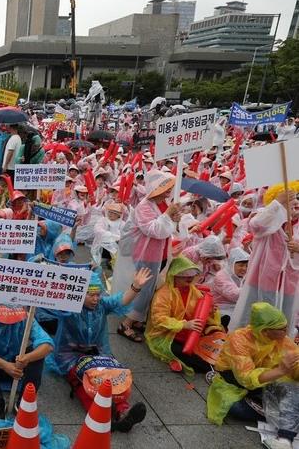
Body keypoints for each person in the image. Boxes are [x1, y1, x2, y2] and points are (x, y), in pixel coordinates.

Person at [49, 270, 152, 433]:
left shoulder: (102, 305)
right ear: (78, 294)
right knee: (84, 381)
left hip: (98, 352)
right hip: (70, 355)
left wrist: (136, 287)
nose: (96, 299)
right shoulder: (69, 308)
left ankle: (123, 411)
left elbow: (120, 301)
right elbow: (54, 304)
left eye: (98, 294)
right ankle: (102, 413)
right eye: (91, 295)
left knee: (114, 377)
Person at [207, 303, 298, 448]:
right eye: (281, 329)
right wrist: (280, 370)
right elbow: (246, 378)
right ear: (265, 331)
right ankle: (286, 415)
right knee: (234, 409)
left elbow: (296, 364)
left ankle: (284, 440)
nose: (286, 331)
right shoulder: (239, 339)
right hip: (236, 384)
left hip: (268, 384)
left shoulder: (283, 340)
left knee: (293, 392)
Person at [115, 169, 181, 343]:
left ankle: (137, 319)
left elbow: (168, 228)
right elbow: (154, 230)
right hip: (146, 253)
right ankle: (126, 324)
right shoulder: (144, 206)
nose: (168, 190)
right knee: (143, 289)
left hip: (159, 252)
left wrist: (174, 217)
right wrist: (168, 215)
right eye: (164, 186)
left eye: (170, 187)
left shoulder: (164, 203)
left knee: (149, 289)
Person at [231, 183, 299, 334]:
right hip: (262, 279)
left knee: (282, 324)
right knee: (253, 321)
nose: (295, 205)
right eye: (289, 201)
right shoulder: (267, 217)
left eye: (296, 201)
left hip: (289, 283)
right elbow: (256, 226)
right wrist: (277, 204)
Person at [0, 304, 54, 419]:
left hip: (17, 366)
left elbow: (47, 345)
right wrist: (5, 365)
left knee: (36, 353)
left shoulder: (26, 317)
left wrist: (27, 358)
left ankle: (23, 401)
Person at [146, 256, 225, 374]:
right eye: (185, 274)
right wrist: (184, 325)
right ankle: (211, 368)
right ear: (174, 275)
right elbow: (159, 320)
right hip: (165, 335)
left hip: (190, 331)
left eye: (192, 274)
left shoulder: (193, 290)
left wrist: (210, 311)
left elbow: (197, 312)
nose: (190, 277)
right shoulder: (163, 294)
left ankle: (213, 364)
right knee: (182, 352)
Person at [211, 248, 249, 327]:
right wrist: (251, 288)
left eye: (246, 265)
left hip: (235, 308)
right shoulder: (221, 276)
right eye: (241, 265)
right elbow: (234, 295)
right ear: (232, 264)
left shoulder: (241, 276)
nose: (244, 268)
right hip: (222, 310)